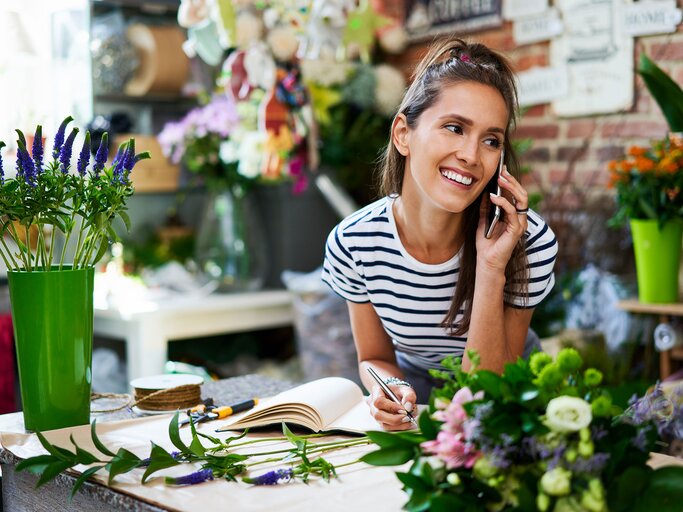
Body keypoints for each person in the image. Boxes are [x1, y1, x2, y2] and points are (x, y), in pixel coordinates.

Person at [322, 38, 558, 431]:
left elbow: (487, 392)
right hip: (419, 407)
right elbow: (374, 356)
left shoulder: (526, 242)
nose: (471, 155)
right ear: (403, 133)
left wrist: (491, 265)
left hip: (511, 407)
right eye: (454, 128)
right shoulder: (355, 243)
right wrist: (391, 389)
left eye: (491, 140)